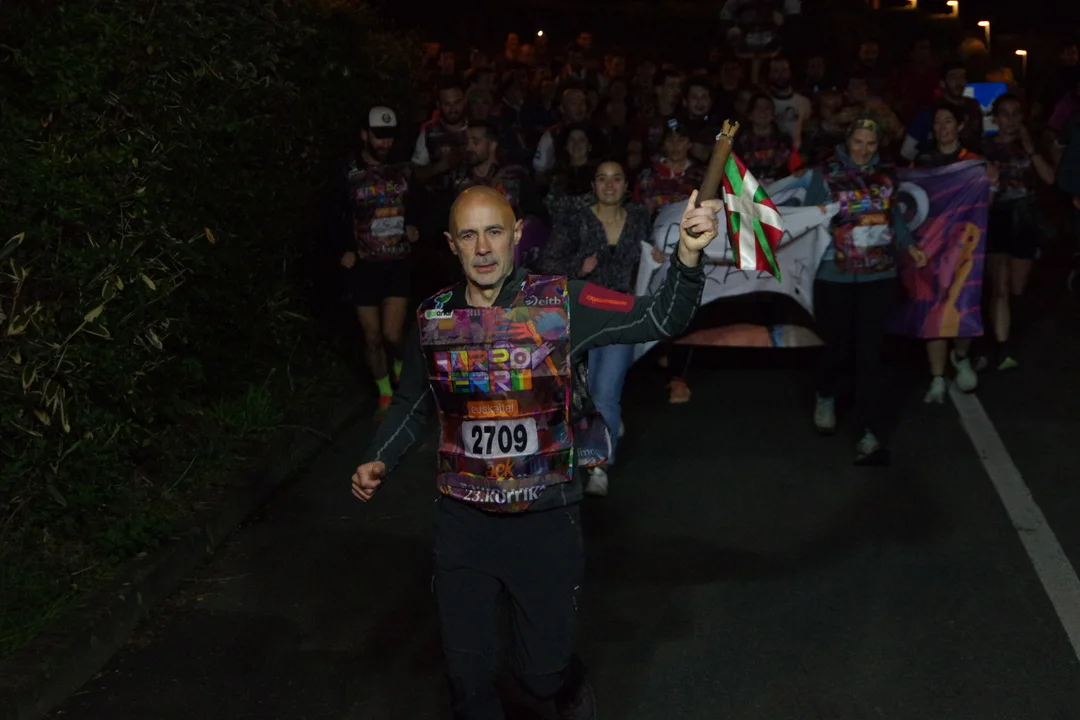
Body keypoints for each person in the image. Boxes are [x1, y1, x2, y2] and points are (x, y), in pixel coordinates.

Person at [350, 185, 723, 719]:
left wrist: (687, 255)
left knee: (541, 675)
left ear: (518, 235)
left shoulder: (561, 302)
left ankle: (564, 683)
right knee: (468, 679)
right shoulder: (433, 316)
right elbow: (413, 399)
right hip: (463, 521)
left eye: (494, 232)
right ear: (451, 244)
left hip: (545, 518)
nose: (483, 248)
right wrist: (379, 457)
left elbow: (660, 318)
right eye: (469, 235)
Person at [802, 116, 928, 464]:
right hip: (834, 275)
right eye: (858, 142)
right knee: (838, 347)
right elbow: (807, 218)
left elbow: (893, 217)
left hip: (878, 275)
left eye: (870, 144)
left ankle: (869, 431)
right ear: (847, 141)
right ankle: (826, 394)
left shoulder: (885, 175)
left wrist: (909, 245)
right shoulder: (824, 175)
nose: (863, 150)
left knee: (870, 354)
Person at [538, 160, 649, 496]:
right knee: (576, 393)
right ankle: (577, 446)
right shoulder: (577, 220)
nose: (610, 185)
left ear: (626, 185)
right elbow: (547, 263)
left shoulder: (640, 219)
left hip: (621, 317)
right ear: (593, 186)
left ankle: (599, 467)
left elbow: (653, 254)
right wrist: (578, 266)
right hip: (581, 317)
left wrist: (656, 256)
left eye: (616, 178)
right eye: (602, 179)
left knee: (605, 392)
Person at [333, 106, 418, 417]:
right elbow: (333, 214)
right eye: (379, 136)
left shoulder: (404, 169)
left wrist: (416, 226)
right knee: (371, 336)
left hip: (397, 261)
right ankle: (385, 392)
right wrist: (342, 249)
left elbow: (420, 204)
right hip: (363, 265)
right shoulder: (348, 173)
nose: (385, 143)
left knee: (392, 334)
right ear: (364, 135)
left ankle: (401, 366)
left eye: (389, 136)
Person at [906, 104, 993, 404]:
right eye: (938, 122)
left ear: (959, 126)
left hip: (966, 247)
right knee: (933, 307)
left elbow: (986, 204)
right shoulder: (922, 162)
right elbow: (911, 201)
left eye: (948, 121)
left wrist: (991, 184)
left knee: (964, 301)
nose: (943, 127)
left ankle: (961, 356)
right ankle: (937, 378)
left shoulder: (973, 163)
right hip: (931, 245)